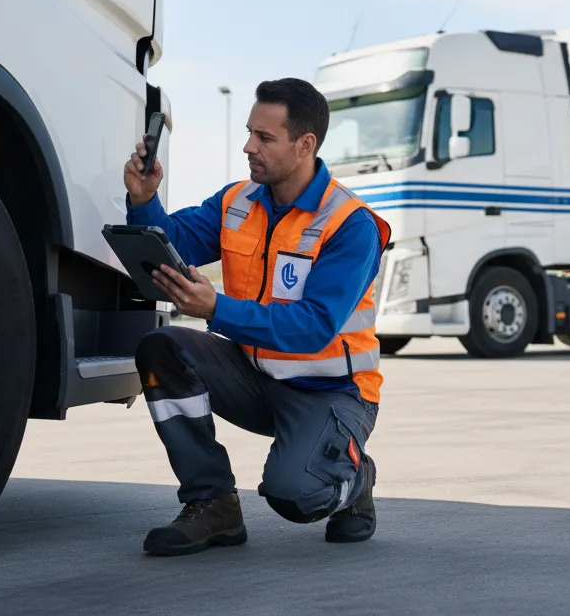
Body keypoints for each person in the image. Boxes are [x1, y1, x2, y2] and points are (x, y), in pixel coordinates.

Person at [123, 77, 391, 557]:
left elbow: (313, 327)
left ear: (305, 144)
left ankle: (355, 476)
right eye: (250, 132)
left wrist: (216, 308)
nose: (249, 147)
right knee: (162, 347)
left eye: (264, 138)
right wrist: (144, 201)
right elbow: (172, 241)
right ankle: (212, 503)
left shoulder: (350, 225)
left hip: (331, 392)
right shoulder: (237, 201)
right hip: (256, 377)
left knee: (297, 496)